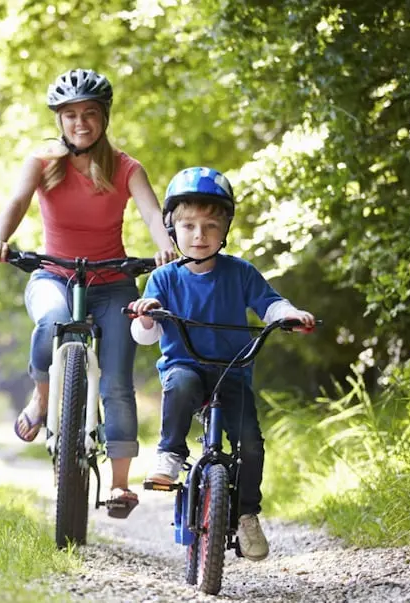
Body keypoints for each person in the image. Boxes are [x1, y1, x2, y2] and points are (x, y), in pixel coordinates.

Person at [0, 68, 177, 519]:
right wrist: (0, 237)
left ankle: (120, 485)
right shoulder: (44, 162)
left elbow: (151, 212)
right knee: (50, 320)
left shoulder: (127, 167)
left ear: (104, 117)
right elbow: (15, 202)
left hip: (112, 285)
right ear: (59, 121)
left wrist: (164, 241)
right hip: (54, 275)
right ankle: (42, 395)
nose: (80, 123)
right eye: (70, 115)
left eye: (89, 114)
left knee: (116, 383)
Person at [128, 166, 316, 560]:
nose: (200, 236)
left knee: (250, 442)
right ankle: (171, 453)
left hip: (232, 370)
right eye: (190, 226)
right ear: (172, 228)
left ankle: (247, 514)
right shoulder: (163, 278)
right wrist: (148, 314)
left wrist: (289, 315)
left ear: (226, 228)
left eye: (211, 226)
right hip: (187, 365)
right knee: (179, 385)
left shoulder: (240, 272)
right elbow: (146, 335)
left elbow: (270, 303)